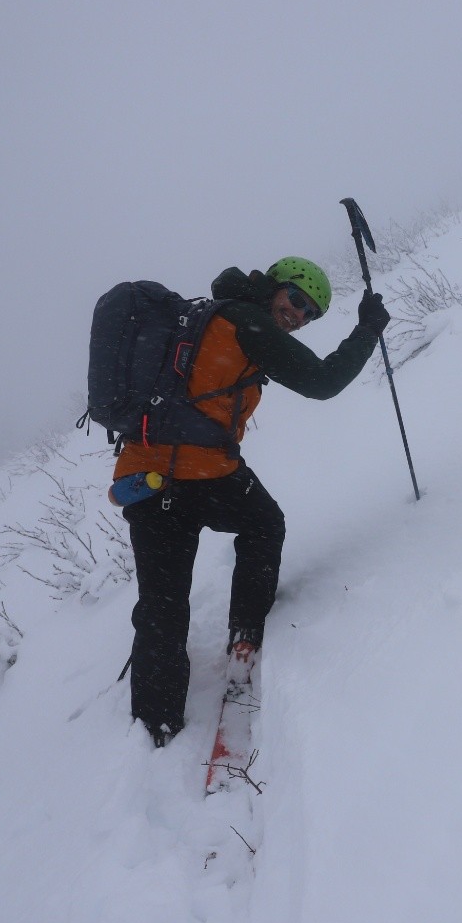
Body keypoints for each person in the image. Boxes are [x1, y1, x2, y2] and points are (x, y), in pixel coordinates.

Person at [117, 257, 389, 747]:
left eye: (310, 315)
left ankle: (156, 726)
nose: (298, 317)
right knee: (264, 525)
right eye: (297, 300)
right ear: (275, 287)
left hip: (146, 477)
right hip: (203, 474)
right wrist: (367, 328)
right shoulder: (250, 322)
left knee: (162, 604)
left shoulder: (214, 312)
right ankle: (246, 633)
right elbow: (324, 381)